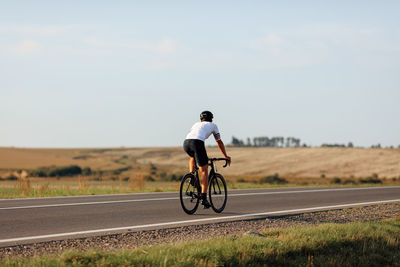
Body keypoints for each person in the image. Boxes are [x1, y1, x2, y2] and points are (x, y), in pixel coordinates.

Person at [183, 111, 231, 208]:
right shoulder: (213, 125)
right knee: (204, 171)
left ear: (201, 119)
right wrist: (226, 155)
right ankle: (204, 199)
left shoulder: (196, 124)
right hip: (197, 143)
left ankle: (192, 177)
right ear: (211, 119)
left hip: (186, 143)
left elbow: (193, 137)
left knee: (193, 157)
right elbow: (219, 141)